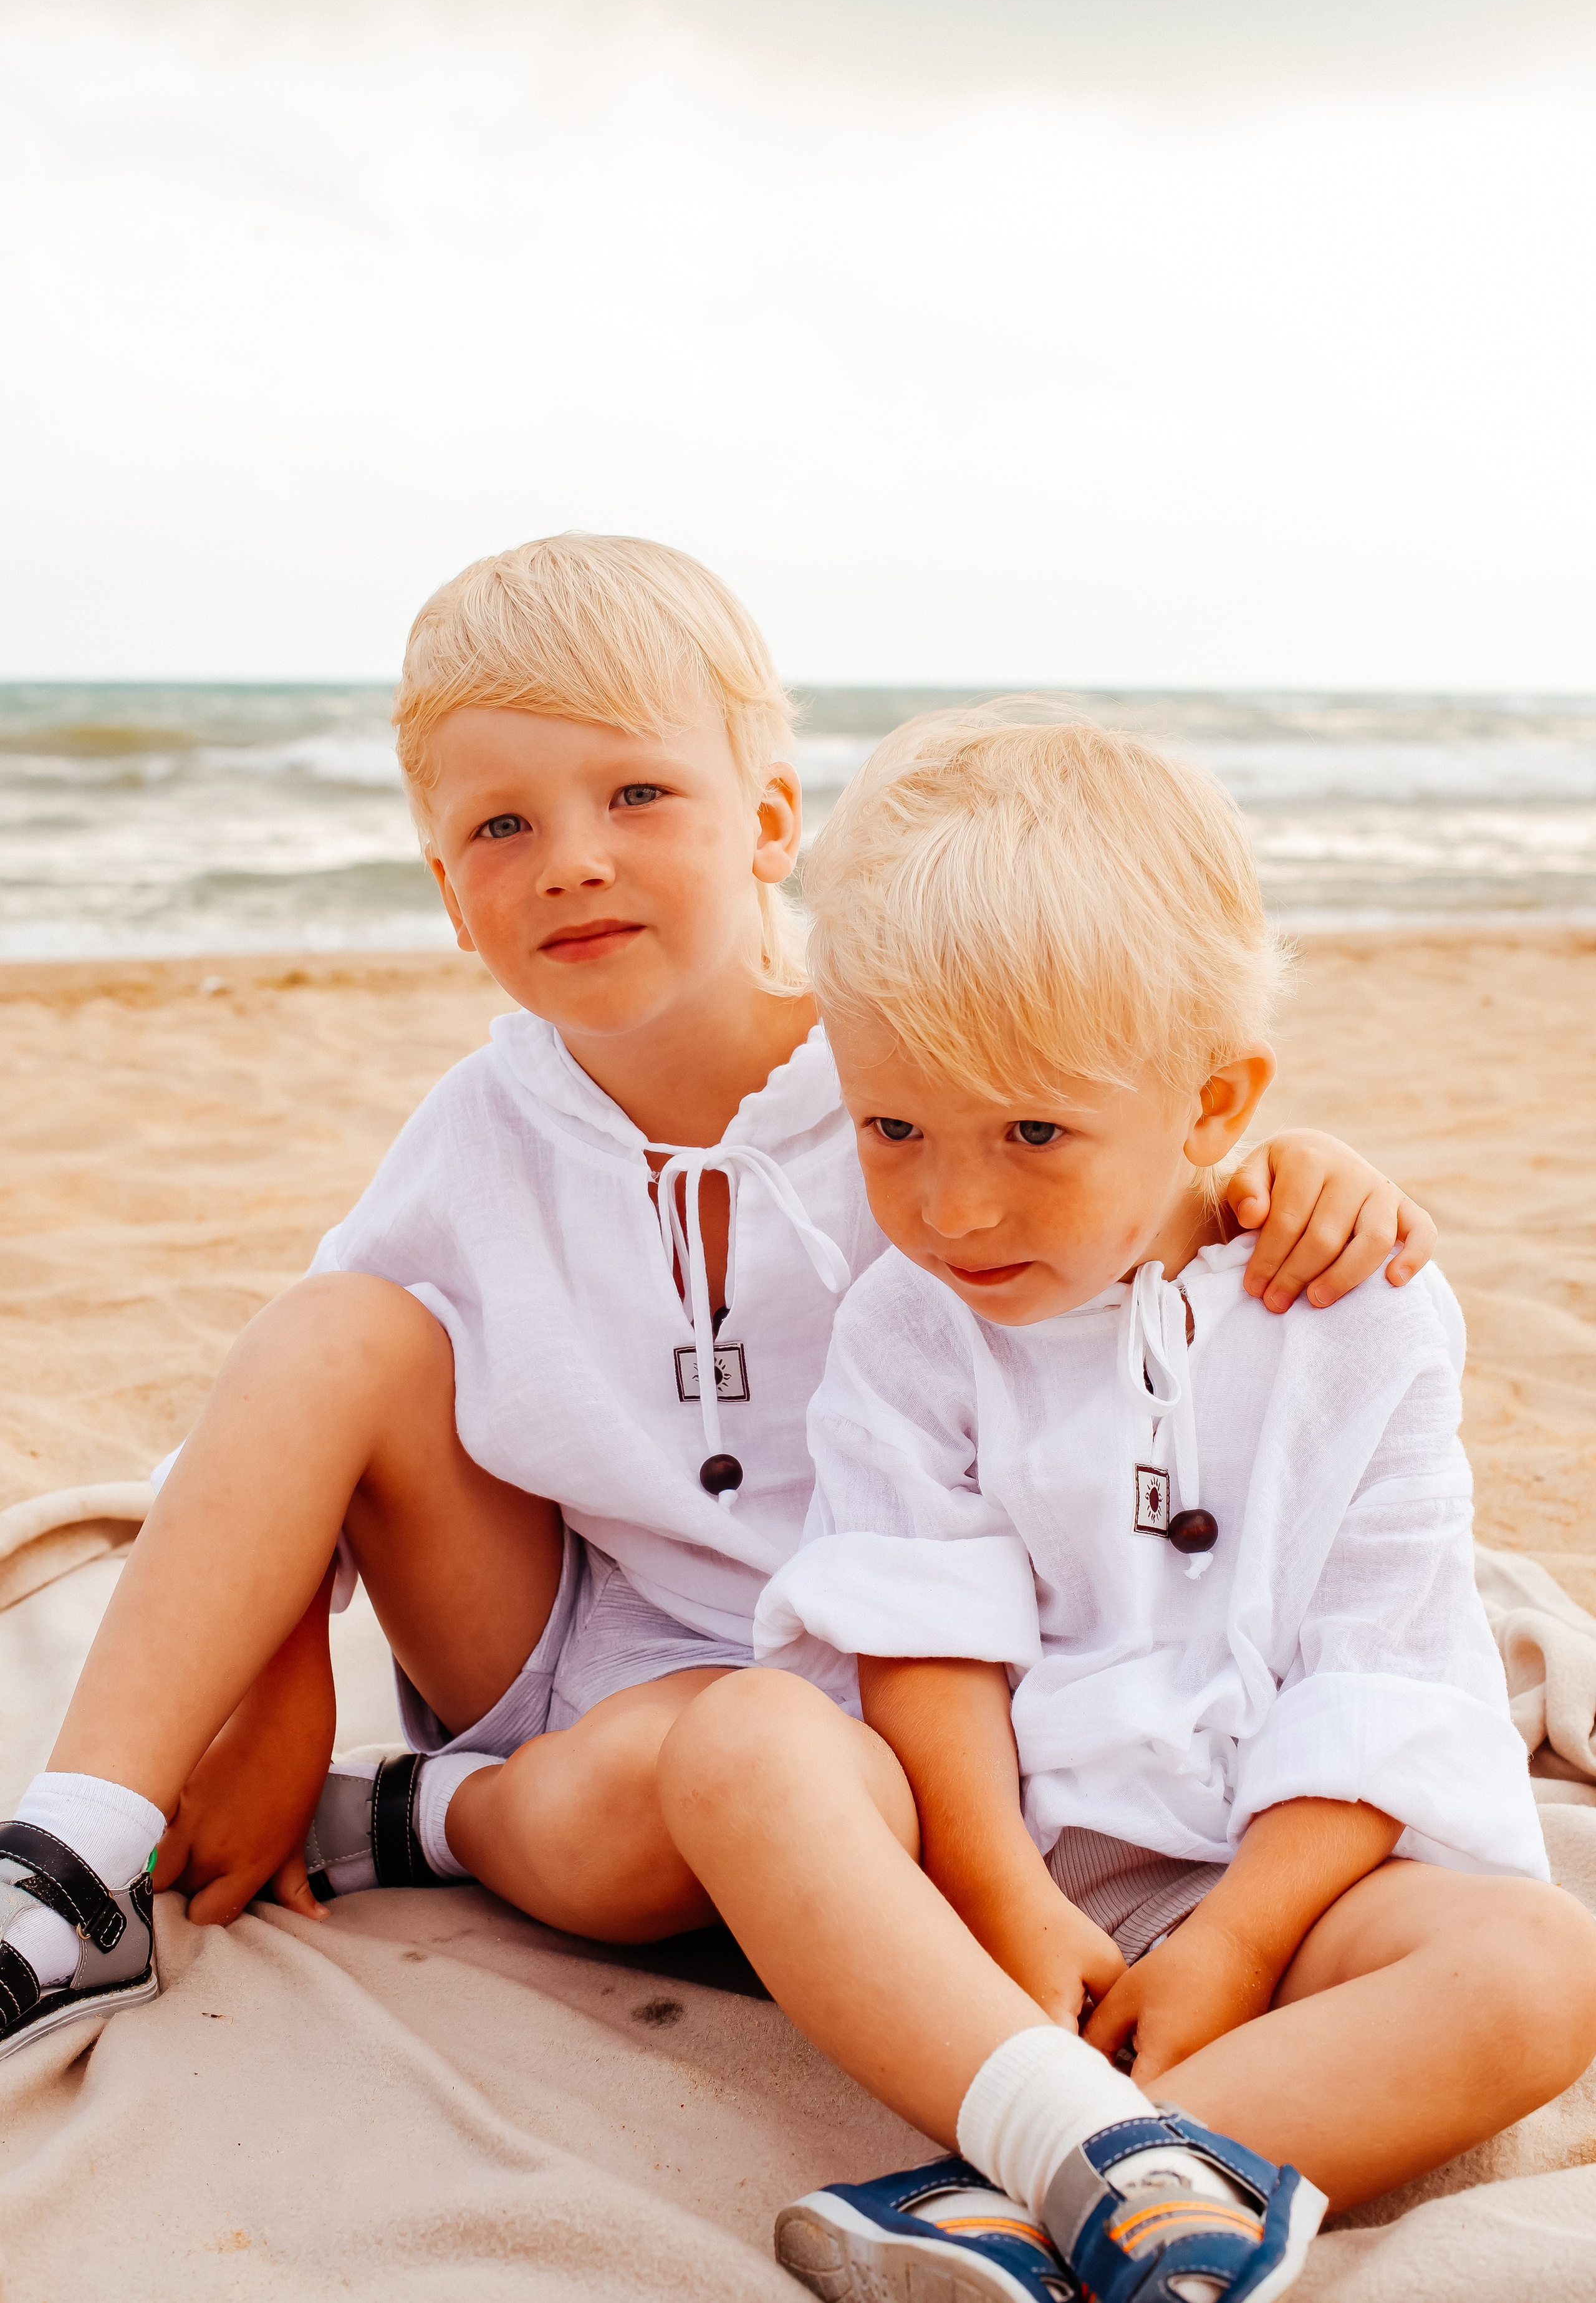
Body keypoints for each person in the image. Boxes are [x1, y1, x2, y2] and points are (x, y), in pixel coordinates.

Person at [1, 539, 1430, 2072]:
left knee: (659, 1820)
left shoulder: (904, 1079)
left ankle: (429, 1818)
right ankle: (76, 1860)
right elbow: (274, 1437)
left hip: (874, 1692)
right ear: (446, 892)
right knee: (332, 1325)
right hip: (553, 1632)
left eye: (634, 796)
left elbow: (1127, 1151)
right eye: (501, 824)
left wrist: (1307, 1164)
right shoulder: (484, 1125)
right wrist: (282, 1680)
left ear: (765, 822)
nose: (568, 858)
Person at [642, 712, 1596, 2303]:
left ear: (1212, 1103)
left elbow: (1384, 1659)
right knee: (740, 1744)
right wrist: (1005, 1900)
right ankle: (1085, 2147)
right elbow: (916, 1628)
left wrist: (1230, 1943)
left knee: (1538, 1969)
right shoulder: (909, 1320)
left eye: (1032, 1134)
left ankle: (1022, 2192)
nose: (951, 1206)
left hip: (1282, 1882)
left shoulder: (1357, 1315)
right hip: (988, 1880)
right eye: (893, 1130)